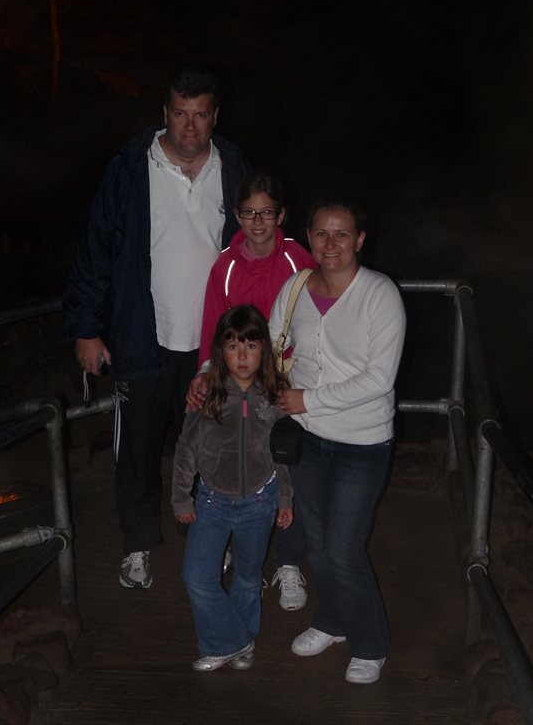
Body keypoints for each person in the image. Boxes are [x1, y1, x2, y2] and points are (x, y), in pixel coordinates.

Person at [63, 66, 251, 590]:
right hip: (141, 338)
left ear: (215, 117)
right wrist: (86, 328)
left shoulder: (233, 166)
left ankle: (216, 545)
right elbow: (95, 251)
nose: (189, 125)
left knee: (215, 451)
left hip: (213, 343)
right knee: (138, 452)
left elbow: (256, 248)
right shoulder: (128, 169)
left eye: (200, 114)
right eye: (179, 113)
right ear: (164, 113)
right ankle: (138, 546)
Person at [269, 196, 406, 685]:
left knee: (345, 550)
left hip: (361, 443)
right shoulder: (295, 286)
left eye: (342, 233)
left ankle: (371, 642)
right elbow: (270, 346)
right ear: (309, 237)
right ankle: (332, 620)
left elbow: (379, 379)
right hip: (307, 441)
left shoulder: (380, 294)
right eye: (322, 233)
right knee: (321, 546)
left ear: (360, 240)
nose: (331, 243)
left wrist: (308, 399)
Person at [195, 170, 317, 611]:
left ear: (281, 214)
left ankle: (287, 563)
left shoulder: (298, 260)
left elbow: (315, 320)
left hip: (283, 383)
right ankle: (228, 545)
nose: (258, 222)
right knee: (231, 459)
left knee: (284, 467)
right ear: (236, 215)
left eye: (267, 212)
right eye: (248, 213)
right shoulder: (225, 266)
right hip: (235, 384)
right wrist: (206, 376)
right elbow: (212, 325)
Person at [172, 305, 293, 671]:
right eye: (233, 346)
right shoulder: (208, 394)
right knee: (197, 577)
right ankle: (231, 641)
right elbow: (186, 447)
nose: (242, 356)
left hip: (260, 501)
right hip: (211, 501)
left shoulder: (274, 397)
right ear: (220, 353)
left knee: (246, 576)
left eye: (251, 346)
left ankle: (240, 645)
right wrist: (180, 496)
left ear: (264, 351)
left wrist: (284, 497)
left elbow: (282, 452)